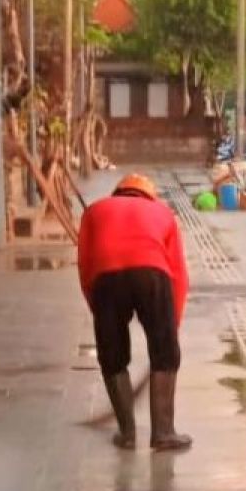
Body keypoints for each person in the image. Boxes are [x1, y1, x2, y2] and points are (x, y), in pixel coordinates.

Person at [78, 173, 192, 451]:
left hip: (106, 277)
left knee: (113, 357)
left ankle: (127, 433)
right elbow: (178, 273)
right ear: (149, 196)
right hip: (152, 274)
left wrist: (99, 309)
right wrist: (171, 326)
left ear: (118, 192)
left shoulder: (95, 210)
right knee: (164, 355)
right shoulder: (162, 213)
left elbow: (84, 265)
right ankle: (163, 432)